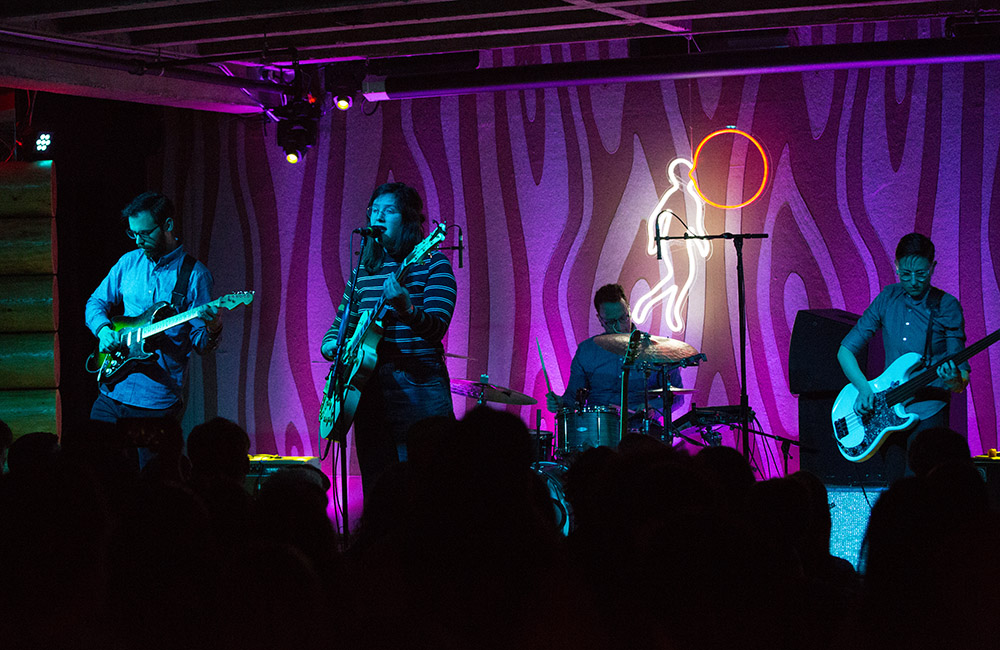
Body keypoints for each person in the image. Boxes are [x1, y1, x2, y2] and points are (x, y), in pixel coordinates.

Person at [321, 182, 456, 496]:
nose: (378, 217)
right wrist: (332, 347)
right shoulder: (364, 272)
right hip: (369, 390)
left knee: (427, 484)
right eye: (374, 210)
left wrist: (406, 308)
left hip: (418, 387)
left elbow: (436, 328)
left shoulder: (434, 264)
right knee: (379, 485)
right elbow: (339, 326)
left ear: (407, 220)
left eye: (389, 211)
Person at [837, 232, 969, 481]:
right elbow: (845, 351)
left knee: (925, 486)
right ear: (896, 266)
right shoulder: (888, 298)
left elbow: (960, 379)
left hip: (928, 411)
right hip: (887, 412)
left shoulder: (947, 305)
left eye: (921, 274)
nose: (914, 281)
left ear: (933, 267)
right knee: (895, 485)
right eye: (906, 274)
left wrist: (953, 379)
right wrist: (864, 388)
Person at [86, 192, 223, 425]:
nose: (138, 241)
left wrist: (214, 327)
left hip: (156, 401)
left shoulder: (195, 276)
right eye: (133, 233)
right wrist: (103, 331)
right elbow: (95, 302)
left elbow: (200, 343)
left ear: (167, 225)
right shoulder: (128, 262)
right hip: (111, 391)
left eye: (145, 233)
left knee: (150, 463)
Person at [545, 283, 683, 431]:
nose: (618, 327)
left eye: (623, 318)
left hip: (643, 430)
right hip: (599, 431)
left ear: (629, 309)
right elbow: (572, 398)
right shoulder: (587, 351)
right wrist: (560, 404)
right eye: (611, 322)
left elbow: (677, 397)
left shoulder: (657, 349)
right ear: (600, 319)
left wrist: (654, 408)